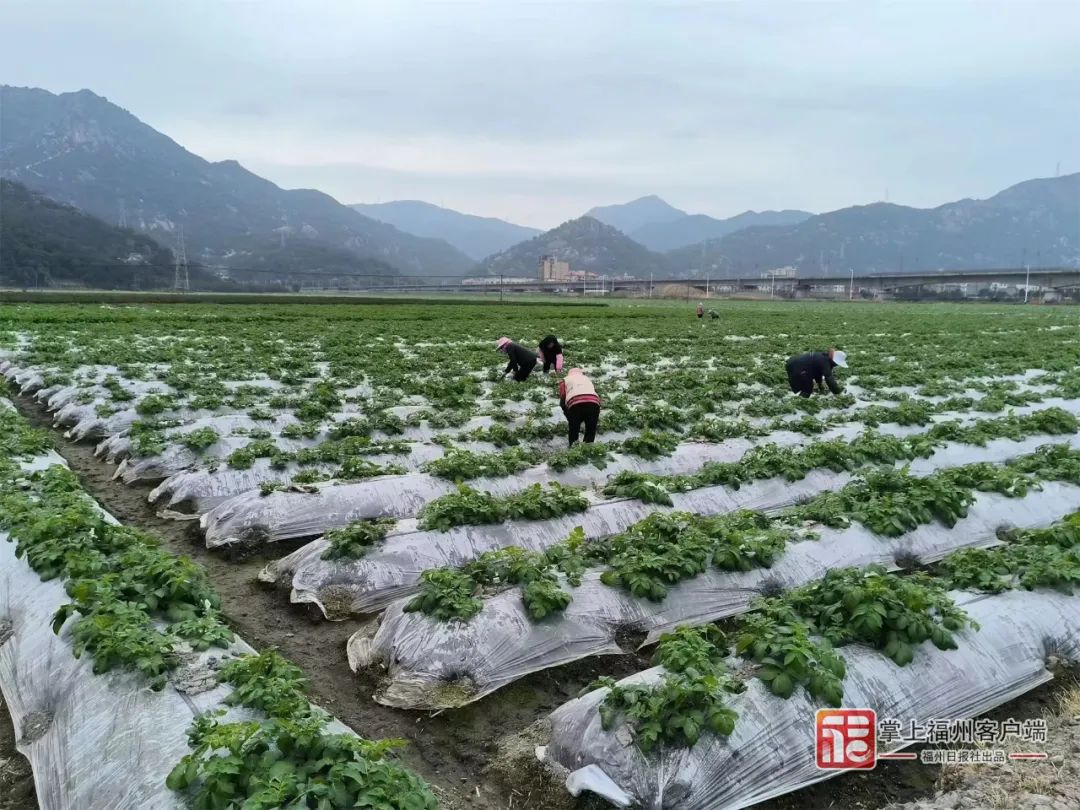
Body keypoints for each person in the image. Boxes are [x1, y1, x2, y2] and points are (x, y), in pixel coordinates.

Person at [558, 367, 601, 446]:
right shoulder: (586, 379)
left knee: (574, 428)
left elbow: (563, 400)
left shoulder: (565, 380)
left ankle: (573, 447)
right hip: (594, 403)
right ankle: (588, 448)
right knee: (591, 429)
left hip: (575, 403)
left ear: (569, 374)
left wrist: (569, 417)